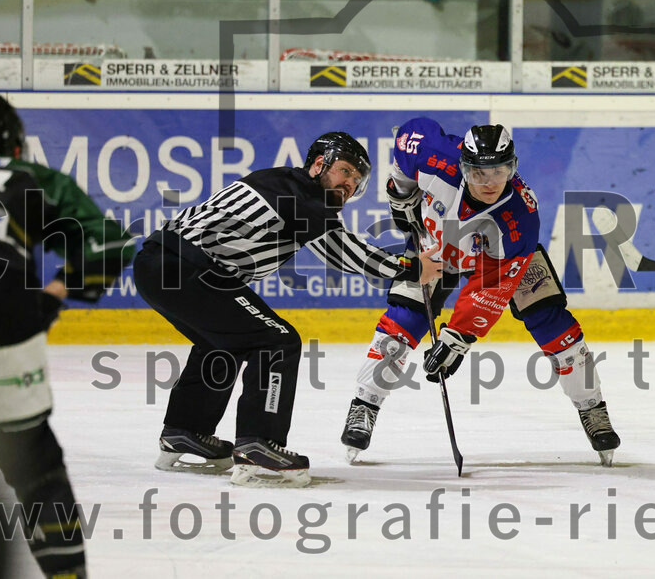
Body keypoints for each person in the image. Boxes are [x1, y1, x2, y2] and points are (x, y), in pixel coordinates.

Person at [133, 131, 442, 488]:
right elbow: (346, 253)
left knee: (224, 341)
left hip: (159, 265)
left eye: (357, 181)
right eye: (344, 171)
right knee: (278, 341)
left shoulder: (284, 184)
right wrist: (411, 267)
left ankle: (184, 430)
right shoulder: (303, 197)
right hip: (188, 269)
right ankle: (258, 442)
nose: (349, 184)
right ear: (317, 164)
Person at [0, 94, 135, 577]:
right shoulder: (32, 179)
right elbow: (111, 244)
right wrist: (59, 290)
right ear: (16, 145)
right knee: (31, 460)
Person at [340, 118, 621, 466]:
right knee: (404, 319)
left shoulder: (519, 218)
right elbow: (408, 138)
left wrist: (457, 339)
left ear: (513, 168)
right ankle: (364, 406)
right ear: (462, 165)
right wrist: (401, 191)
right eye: (479, 174)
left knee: (552, 321)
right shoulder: (433, 154)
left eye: (500, 172)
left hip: (500, 261)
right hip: (435, 249)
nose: (490, 184)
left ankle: (592, 408)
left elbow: (489, 288)